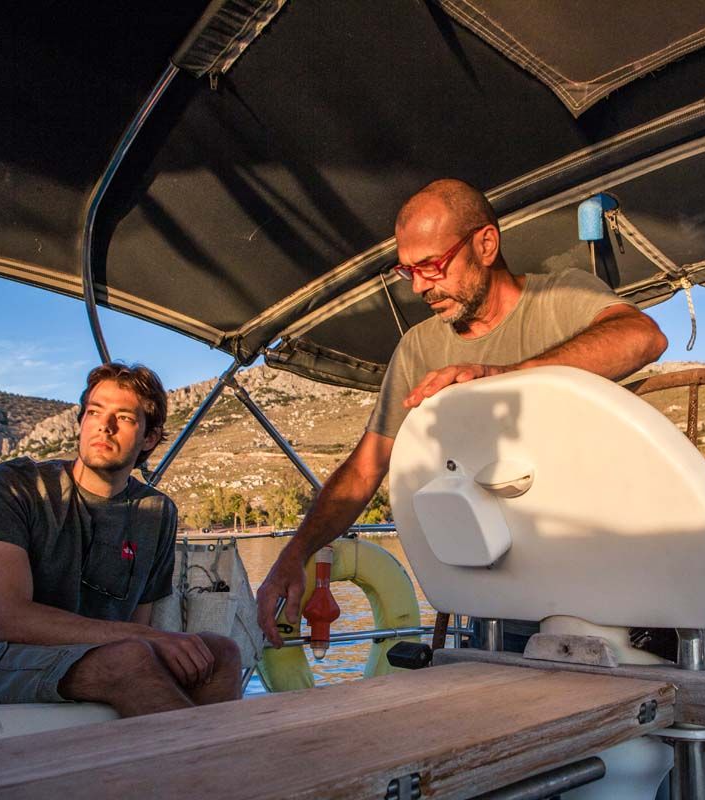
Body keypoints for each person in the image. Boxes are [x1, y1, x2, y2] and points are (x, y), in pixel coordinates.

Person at [256, 178, 668, 648]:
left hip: (607, 589)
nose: (419, 287)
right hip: (497, 602)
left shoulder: (559, 298)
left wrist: (503, 375)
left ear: (486, 245)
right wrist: (295, 554)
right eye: (407, 271)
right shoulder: (418, 349)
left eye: (431, 266)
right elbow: (365, 469)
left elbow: (643, 337)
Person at [0, 363, 242, 717]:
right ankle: (206, 752)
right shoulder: (13, 486)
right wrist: (147, 640)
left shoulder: (156, 512)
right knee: (130, 658)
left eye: (124, 417)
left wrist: (148, 641)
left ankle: (198, 748)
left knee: (221, 653)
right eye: (94, 412)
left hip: (90, 658)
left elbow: (138, 622)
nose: (105, 425)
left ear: (149, 438)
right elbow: (10, 620)